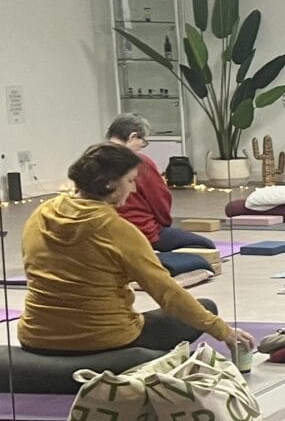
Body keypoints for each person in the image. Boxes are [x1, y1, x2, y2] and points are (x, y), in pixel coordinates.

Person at [16, 143, 253, 360]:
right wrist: (223, 332)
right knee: (207, 307)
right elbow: (167, 293)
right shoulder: (117, 229)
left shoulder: (41, 214)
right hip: (102, 340)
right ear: (110, 184)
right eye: (130, 181)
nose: (134, 188)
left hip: (35, 335)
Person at [105, 113, 219, 276]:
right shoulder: (138, 162)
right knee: (205, 245)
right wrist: (164, 224)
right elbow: (160, 199)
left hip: (106, 234)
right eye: (142, 142)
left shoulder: (94, 158)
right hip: (143, 233)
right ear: (132, 136)